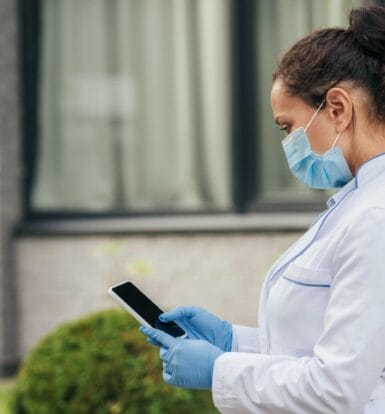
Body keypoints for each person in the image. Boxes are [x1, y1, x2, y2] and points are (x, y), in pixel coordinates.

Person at [139, 5, 385, 413]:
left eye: (288, 127)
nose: (289, 145)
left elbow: (337, 389)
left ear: (338, 109)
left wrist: (220, 368)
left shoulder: (376, 218)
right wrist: (232, 340)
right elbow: (339, 344)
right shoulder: (358, 204)